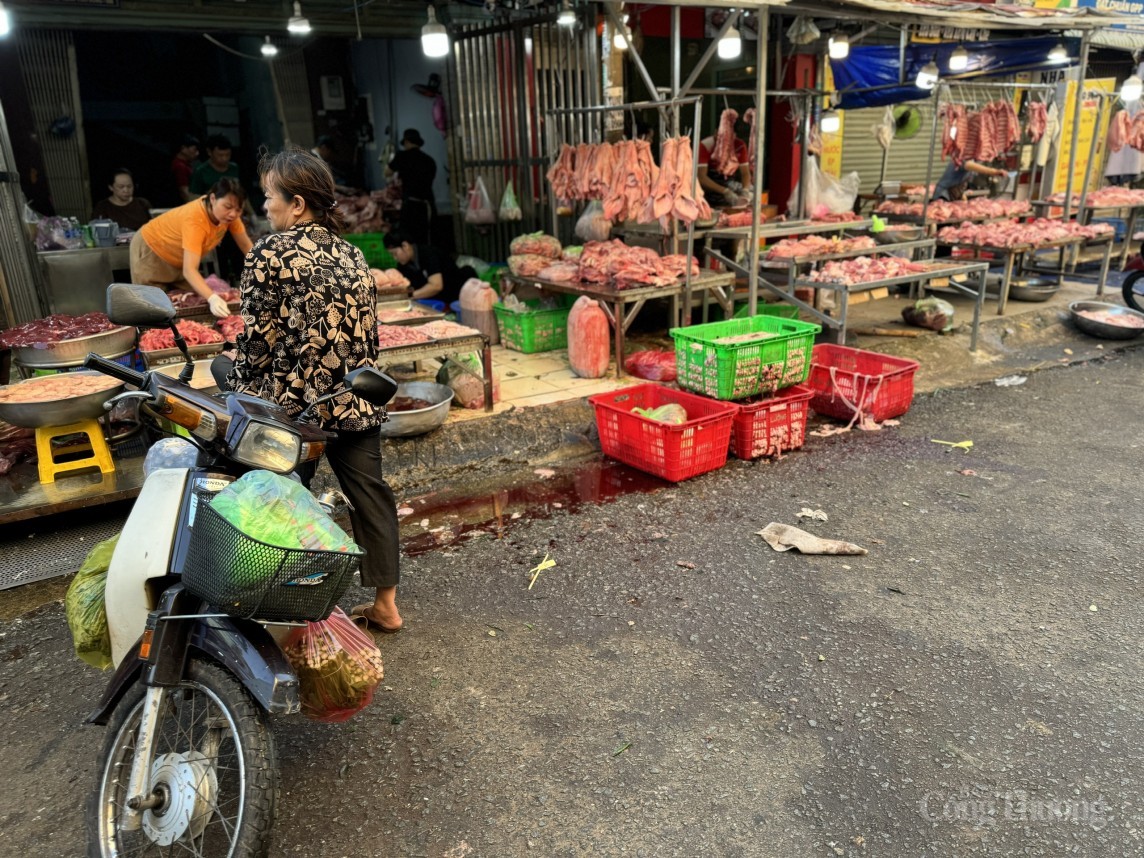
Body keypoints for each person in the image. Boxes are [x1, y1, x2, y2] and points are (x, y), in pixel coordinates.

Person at [225, 147, 403, 634]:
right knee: (371, 497)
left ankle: (285, 609)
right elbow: (367, 335)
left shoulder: (269, 253)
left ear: (297, 204)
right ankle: (385, 604)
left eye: (269, 198)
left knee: (281, 505)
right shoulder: (352, 254)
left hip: (299, 409)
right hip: (356, 398)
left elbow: (258, 341)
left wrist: (236, 394)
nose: (265, 208)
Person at [129, 176, 252, 317]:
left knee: (190, 300)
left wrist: (268, 271)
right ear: (212, 199)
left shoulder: (230, 217)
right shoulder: (195, 219)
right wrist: (212, 298)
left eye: (238, 210)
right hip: (151, 249)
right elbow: (189, 270)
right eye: (228, 207)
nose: (233, 214)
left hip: (179, 258)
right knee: (153, 308)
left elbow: (246, 246)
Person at [383, 231, 477, 305]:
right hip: (435, 299)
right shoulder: (404, 264)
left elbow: (436, 286)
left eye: (395, 253)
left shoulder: (428, 254)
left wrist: (409, 296)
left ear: (405, 246)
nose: (395, 258)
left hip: (454, 296)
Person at [385, 128, 436, 244]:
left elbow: (387, 172)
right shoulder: (430, 161)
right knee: (426, 238)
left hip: (410, 205)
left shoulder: (402, 156)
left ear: (407, 142)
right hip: (427, 205)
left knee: (409, 238)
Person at [697, 128, 752, 207]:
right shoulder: (706, 145)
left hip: (729, 181)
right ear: (716, 134)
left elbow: (745, 173)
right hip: (709, 184)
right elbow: (701, 177)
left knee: (752, 191)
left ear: (734, 135)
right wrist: (725, 191)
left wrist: (745, 190)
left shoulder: (739, 145)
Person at [932, 158, 1008, 201]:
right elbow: (972, 166)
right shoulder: (961, 159)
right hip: (943, 195)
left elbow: (961, 182)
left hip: (954, 195)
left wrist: (962, 196)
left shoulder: (970, 161)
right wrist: (995, 172)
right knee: (942, 225)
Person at [171, 134, 200, 203]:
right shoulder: (180, 166)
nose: (197, 153)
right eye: (194, 149)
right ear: (183, 149)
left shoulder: (184, 165)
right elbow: (184, 192)